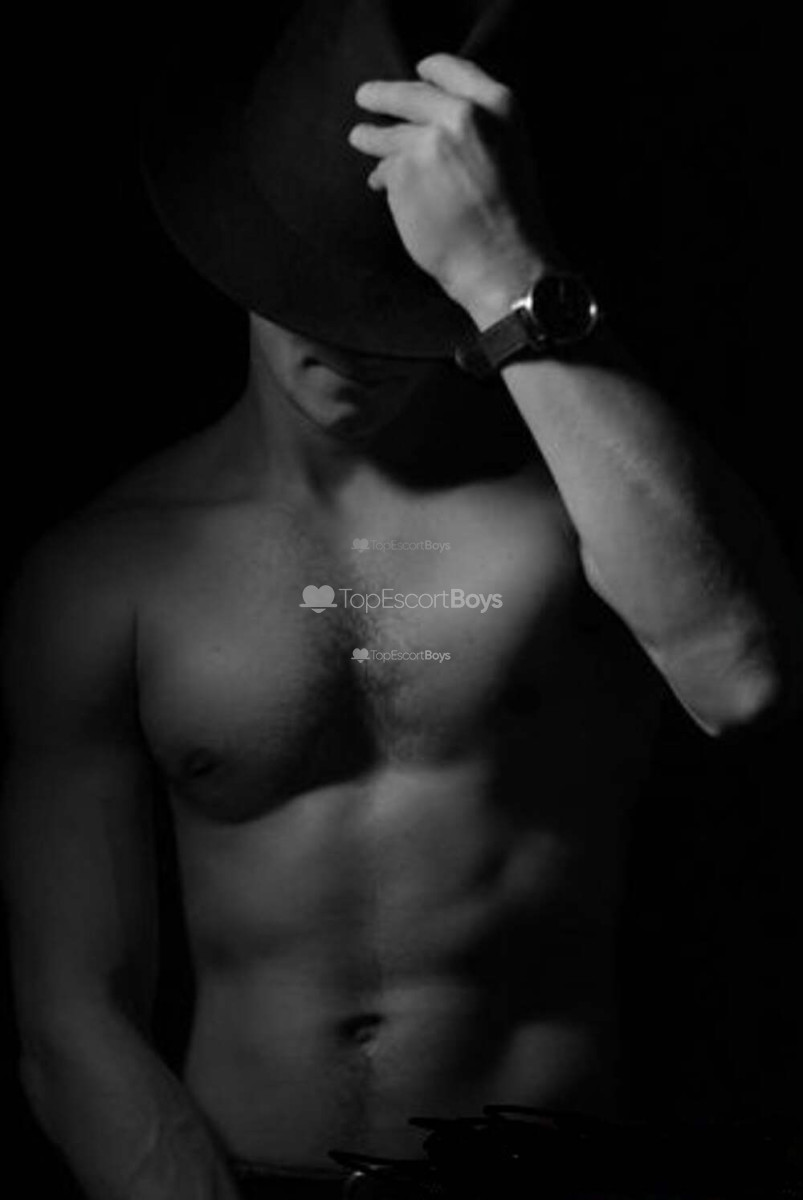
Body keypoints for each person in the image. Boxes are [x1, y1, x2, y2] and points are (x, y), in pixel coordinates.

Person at [1, 2, 800, 1197]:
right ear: (239, 236)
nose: (353, 345)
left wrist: (501, 275)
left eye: (396, 301)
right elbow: (73, 1013)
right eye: (311, 287)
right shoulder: (108, 569)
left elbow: (738, 679)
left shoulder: (583, 509)